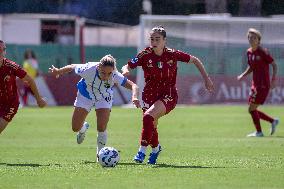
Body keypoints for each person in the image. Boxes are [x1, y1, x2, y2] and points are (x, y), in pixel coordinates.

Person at [121, 26, 214, 164]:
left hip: (168, 95)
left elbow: (195, 60)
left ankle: (141, 151)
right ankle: (156, 149)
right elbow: (127, 65)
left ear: (165, 40)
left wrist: (206, 79)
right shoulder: (145, 54)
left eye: (157, 39)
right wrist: (125, 71)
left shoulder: (173, 54)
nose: (154, 42)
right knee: (151, 125)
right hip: (149, 94)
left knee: (148, 117)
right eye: (152, 39)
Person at [48, 54, 140, 157]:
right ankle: (83, 128)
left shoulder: (115, 75)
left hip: (103, 97)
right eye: (103, 73)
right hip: (85, 95)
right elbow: (73, 66)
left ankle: (100, 155)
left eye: (109, 73)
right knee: (75, 128)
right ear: (98, 67)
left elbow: (134, 86)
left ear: (113, 70)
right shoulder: (89, 68)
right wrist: (58, 71)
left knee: (101, 126)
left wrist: (134, 97)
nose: (106, 76)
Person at [237, 28, 279, 137]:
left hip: (263, 85)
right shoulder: (249, 52)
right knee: (251, 109)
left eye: (254, 37)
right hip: (254, 84)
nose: (251, 39)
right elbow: (251, 66)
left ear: (258, 40)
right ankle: (271, 122)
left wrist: (273, 80)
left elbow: (274, 65)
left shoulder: (263, 52)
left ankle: (260, 131)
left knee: (251, 108)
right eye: (250, 37)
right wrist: (243, 75)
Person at [0, 40, 47, 134]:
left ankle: (25, 103)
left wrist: (39, 99)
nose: (2, 52)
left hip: (10, 105)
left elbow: (30, 80)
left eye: (4, 49)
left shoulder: (11, 66)